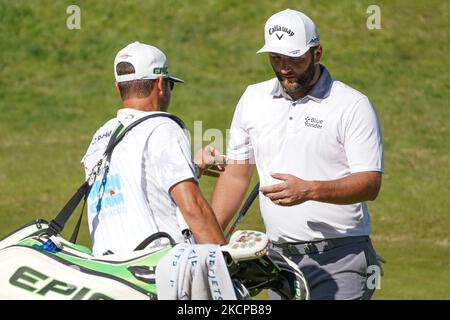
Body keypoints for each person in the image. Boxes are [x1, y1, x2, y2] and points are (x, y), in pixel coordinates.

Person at [211, 9, 384, 300]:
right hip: (280, 264)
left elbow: (370, 183)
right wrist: (209, 240)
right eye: (276, 58)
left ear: (317, 53)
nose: (284, 67)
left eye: (294, 58)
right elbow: (237, 176)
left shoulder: (352, 105)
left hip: (342, 257)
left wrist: (309, 190)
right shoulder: (253, 99)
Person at [82, 41, 225, 256]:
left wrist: (193, 167)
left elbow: (136, 186)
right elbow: (193, 206)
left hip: (109, 271)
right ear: (160, 84)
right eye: (170, 84)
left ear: (118, 87)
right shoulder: (163, 127)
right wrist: (226, 262)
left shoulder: (101, 135)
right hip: (156, 272)